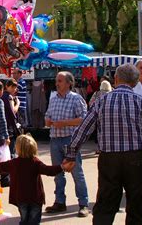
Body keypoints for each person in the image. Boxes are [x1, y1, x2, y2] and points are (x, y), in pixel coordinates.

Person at [65, 63, 142, 225]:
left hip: (109, 160)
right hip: (136, 160)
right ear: (136, 82)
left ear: (115, 79)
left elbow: (83, 129)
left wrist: (71, 154)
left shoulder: (102, 101)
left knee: (105, 207)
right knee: (137, 207)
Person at [0, 135, 68, 225]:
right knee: (34, 221)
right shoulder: (35, 162)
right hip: (35, 198)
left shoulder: (14, 163)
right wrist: (62, 167)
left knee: (24, 219)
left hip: (20, 198)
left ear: (18, 149)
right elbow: (49, 170)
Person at [44, 71, 89, 217]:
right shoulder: (53, 98)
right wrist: (48, 121)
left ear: (69, 83)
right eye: (57, 81)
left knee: (77, 173)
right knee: (58, 174)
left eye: (60, 81)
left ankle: (83, 204)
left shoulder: (76, 99)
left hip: (70, 140)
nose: (57, 83)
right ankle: (60, 202)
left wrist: (64, 123)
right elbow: (47, 115)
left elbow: (83, 119)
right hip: (55, 139)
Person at [1, 78, 21, 157]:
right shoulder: (9, 97)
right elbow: (13, 111)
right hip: (9, 127)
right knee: (11, 152)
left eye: (15, 87)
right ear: (7, 86)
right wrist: (18, 103)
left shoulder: (1, 96)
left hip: (3, 126)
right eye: (12, 87)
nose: (14, 89)